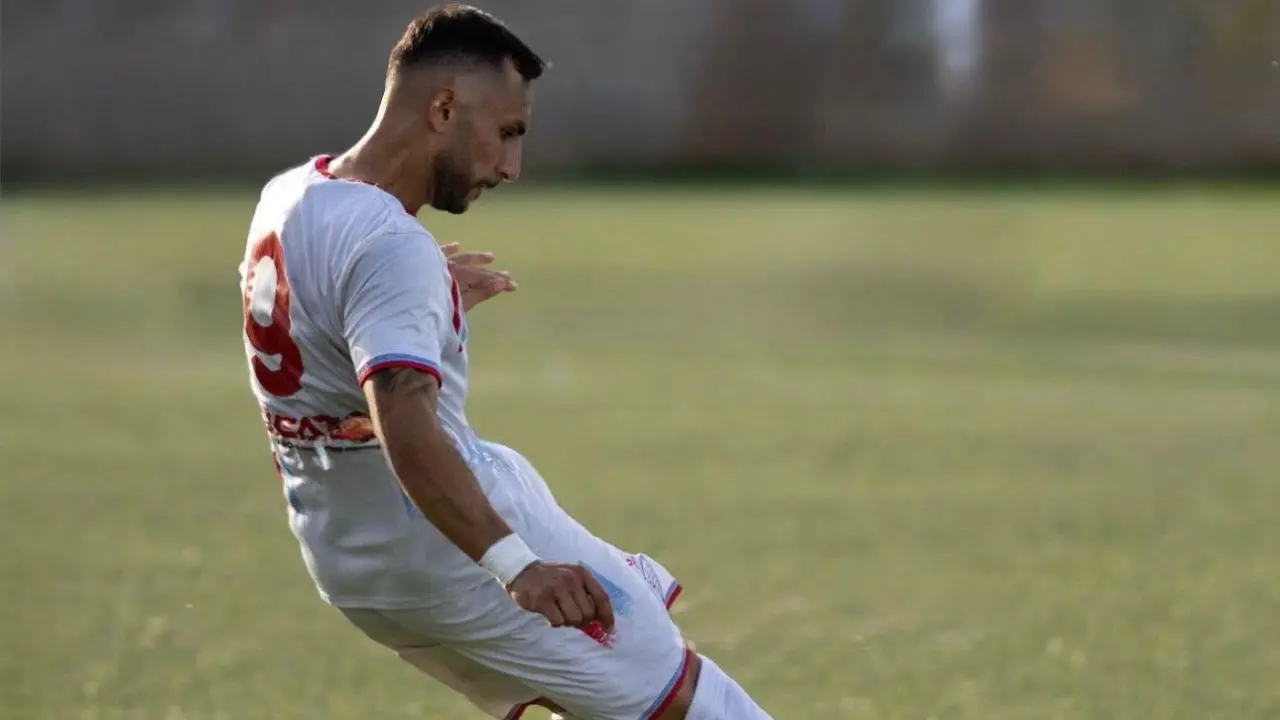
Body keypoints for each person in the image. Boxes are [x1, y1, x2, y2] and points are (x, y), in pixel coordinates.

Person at [238, 4, 773, 718]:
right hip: (448, 554)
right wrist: (515, 565)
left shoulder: (290, 195)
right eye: (507, 134)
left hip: (351, 564)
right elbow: (402, 421)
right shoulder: (390, 247)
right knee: (695, 704)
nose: (511, 166)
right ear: (444, 108)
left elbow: (314, 335)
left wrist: (425, 300)